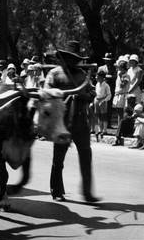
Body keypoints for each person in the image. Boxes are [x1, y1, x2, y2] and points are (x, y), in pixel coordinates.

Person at [44, 40, 100, 203]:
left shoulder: (82, 75)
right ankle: (57, 191)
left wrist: (82, 95)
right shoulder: (54, 74)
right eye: (70, 58)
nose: (73, 62)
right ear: (63, 58)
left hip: (81, 121)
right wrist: (63, 95)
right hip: (62, 122)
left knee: (86, 156)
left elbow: (92, 93)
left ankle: (87, 192)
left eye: (76, 59)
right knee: (58, 159)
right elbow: (46, 94)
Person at [98, 53, 116, 128]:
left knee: (109, 106)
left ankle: (108, 123)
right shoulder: (101, 68)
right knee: (101, 106)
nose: (107, 62)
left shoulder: (115, 68)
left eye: (109, 61)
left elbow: (114, 76)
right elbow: (99, 77)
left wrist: (106, 77)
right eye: (106, 60)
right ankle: (101, 124)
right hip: (102, 89)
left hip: (111, 88)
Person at [93, 70, 111, 141]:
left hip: (103, 100)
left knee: (104, 115)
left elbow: (109, 94)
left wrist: (105, 100)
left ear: (101, 77)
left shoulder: (106, 85)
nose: (96, 77)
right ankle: (100, 129)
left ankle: (105, 130)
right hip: (97, 99)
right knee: (99, 115)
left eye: (97, 76)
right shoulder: (97, 84)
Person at [112, 56, 130, 127]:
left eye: (120, 68)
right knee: (119, 112)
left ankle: (123, 127)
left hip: (123, 95)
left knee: (123, 112)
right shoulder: (119, 75)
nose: (118, 70)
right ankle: (119, 126)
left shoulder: (126, 76)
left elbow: (123, 85)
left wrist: (120, 76)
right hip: (118, 94)